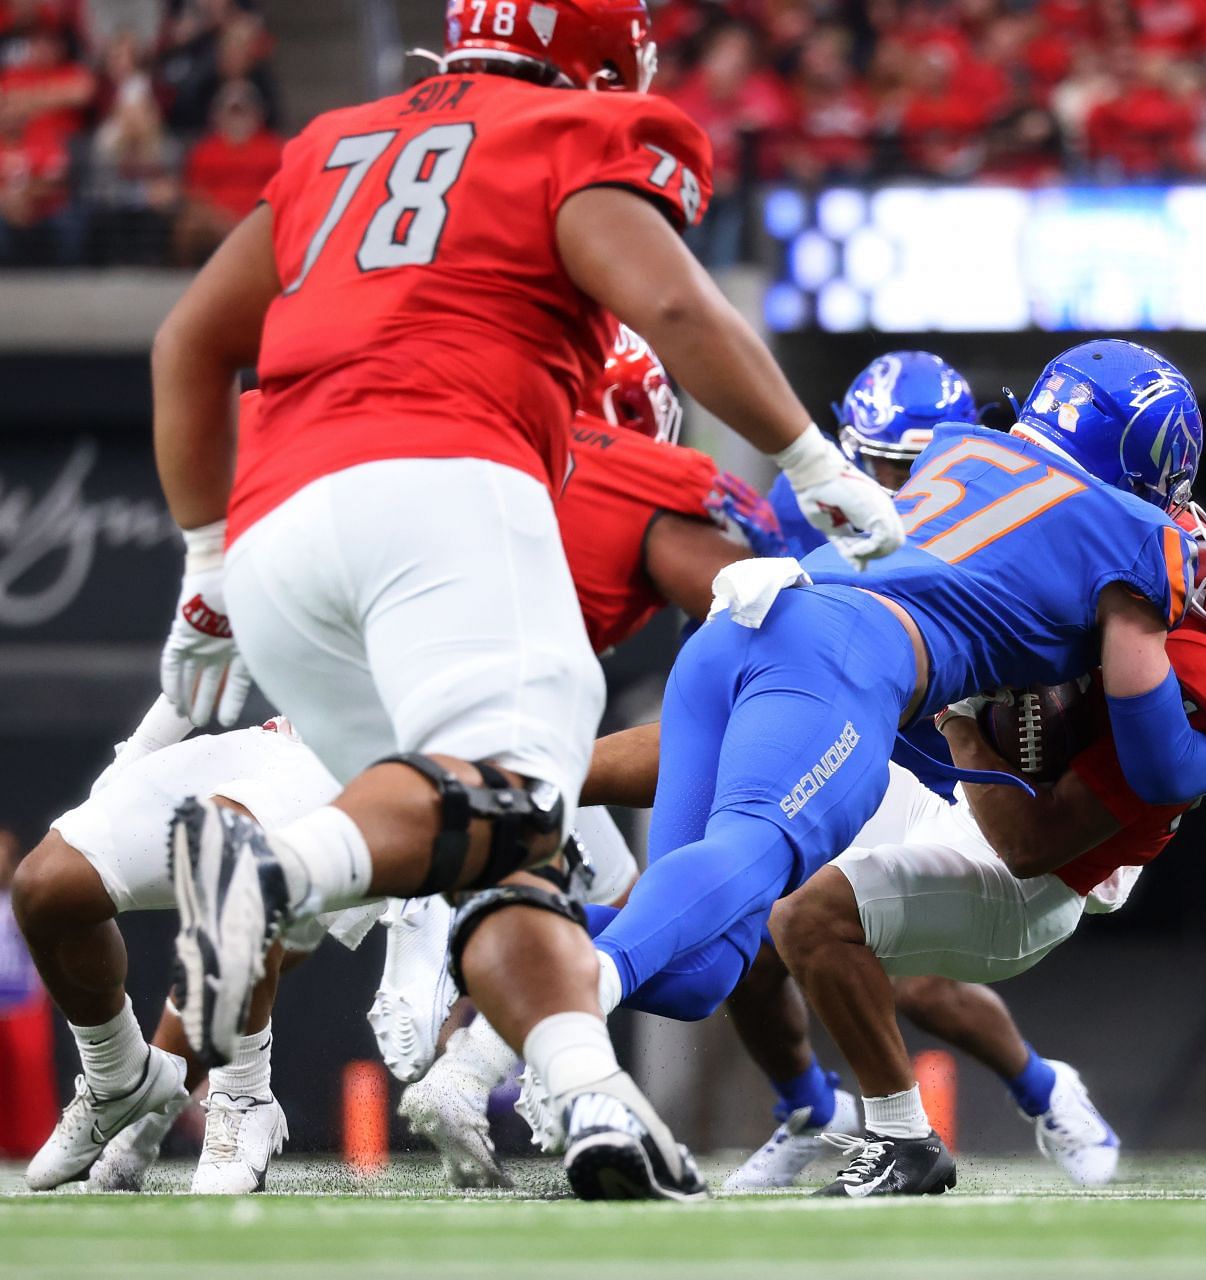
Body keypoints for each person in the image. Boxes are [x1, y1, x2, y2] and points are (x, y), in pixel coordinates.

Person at [146, 0, 904, 1206]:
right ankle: (271, 869)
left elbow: (189, 343)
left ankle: (591, 1093)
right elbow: (672, 305)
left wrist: (204, 566)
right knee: (512, 795)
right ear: (599, 58)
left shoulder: (336, 143)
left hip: (278, 527)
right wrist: (811, 456)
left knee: (493, 841)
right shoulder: (567, 130)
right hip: (444, 480)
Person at [11, 352, 783, 1194]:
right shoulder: (412, 459)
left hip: (457, 763)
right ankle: (127, 1085)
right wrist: (134, 759)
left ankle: (257, 1097)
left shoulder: (609, 500)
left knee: (660, 937)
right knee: (53, 885)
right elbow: (227, 618)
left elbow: (734, 629)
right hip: (318, 742)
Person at [582, 338, 1206, 1195]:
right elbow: (1162, 762)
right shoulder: (1138, 538)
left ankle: (512, 937)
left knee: (697, 972)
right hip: (844, 657)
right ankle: (579, 994)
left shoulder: (958, 447)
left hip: (751, 618)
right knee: (754, 874)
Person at [768, 488, 1206, 1194]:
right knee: (773, 836)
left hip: (1033, 877)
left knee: (811, 919)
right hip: (991, 788)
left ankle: (903, 1138)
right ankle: (810, 1107)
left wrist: (963, 708)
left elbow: (1028, 843)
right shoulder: (1191, 580)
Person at [768, 350, 976, 558]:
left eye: (937, 465)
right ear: (852, 448)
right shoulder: (811, 499)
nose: (916, 486)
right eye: (901, 469)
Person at [0, 828, 58, 1161]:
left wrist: (42, 989)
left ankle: (34, 1141)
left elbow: (41, 947)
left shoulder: (19, 902)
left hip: (22, 1001)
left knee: (29, 1079)